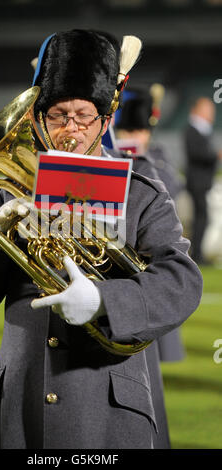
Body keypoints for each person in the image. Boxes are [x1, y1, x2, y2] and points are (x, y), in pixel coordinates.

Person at [0, 29, 203, 449]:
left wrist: (103, 302)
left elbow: (182, 282)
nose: (70, 129)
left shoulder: (140, 193)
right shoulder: (16, 193)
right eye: (57, 115)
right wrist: (1, 233)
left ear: (104, 121)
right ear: (37, 120)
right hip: (22, 401)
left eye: (83, 116)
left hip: (107, 407)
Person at [112, 85, 185, 363]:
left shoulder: (158, 164)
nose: (133, 137)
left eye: (138, 131)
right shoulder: (112, 159)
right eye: (128, 132)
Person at [184, 97, 222, 265]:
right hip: (197, 182)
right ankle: (196, 254)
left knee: (202, 218)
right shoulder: (192, 129)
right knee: (201, 218)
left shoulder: (202, 129)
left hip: (202, 182)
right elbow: (196, 153)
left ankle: (198, 253)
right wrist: (215, 155)